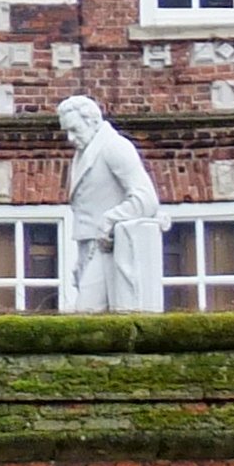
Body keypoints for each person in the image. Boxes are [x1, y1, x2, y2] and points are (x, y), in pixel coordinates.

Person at [56, 94, 162, 312]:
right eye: (66, 131)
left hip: (107, 247)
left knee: (87, 312)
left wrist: (111, 219)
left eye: (74, 130)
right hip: (88, 246)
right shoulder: (82, 154)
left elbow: (147, 198)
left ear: (92, 122)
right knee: (88, 315)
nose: (69, 137)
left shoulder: (115, 147)